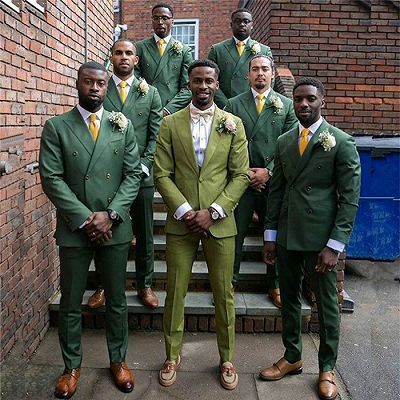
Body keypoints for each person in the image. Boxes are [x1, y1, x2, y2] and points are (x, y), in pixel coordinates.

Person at [39, 61, 142, 399]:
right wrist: (87, 218)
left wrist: (111, 215)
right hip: (75, 229)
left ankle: (118, 360)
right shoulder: (57, 127)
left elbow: (132, 175)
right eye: (89, 82)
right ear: (78, 84)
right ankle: (71, 367)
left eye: (101, 83)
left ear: (107, 87)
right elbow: (52, 179)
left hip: (114, 227)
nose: (95, 88)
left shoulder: (122, 125)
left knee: (116, 300)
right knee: (70, 302)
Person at [259, 77, 361, 400]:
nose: (303, 104)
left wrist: (335, 245)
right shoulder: (285, 140)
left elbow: (350, 199)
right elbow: (276, 192)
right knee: (288, 299)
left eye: (310, 99)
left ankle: (327, 367)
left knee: (326, 306)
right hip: (288, 235)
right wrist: (270, 236)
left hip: (320, 243)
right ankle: (292, 356)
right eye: (298, 99)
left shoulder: (341, 142)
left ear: (322, 102)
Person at [154, 59, 250, 390]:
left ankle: (226, 358)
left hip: (220, 224)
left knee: (224, 293)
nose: (203, 86)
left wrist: (214, 211)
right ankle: (172, 355)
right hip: (182, 223)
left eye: (209, 80)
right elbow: (161, 174)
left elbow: (240, 175)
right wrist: (184, 210)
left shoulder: (232, 123)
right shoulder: (170, 124)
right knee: (175, 291)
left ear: (217, 84)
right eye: (197, 81)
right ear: (189, 84)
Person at [87, 39, 163, 310]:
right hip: (106, 176)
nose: (123, 57)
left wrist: (143, 164)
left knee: (144, 233)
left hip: (140, 175)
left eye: (129, 53)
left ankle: (145, 284)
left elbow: (156, 135)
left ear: (136, 59)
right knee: (105, 231)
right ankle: (103, 285)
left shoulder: (150, 93)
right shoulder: (101, 88)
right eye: (118, 52)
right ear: (111, 56)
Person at [225, 54, 297, 305]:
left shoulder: (286, 106)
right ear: (248, 75)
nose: (260, 73)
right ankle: (229, 284)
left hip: (272, 183)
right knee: (235, 235)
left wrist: (269, 171)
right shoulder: (233, 104)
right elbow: (226, 144)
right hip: (241, 182)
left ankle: (274, 284)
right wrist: (245, 173)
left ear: (273, 74)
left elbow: (290, 146)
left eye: (265, 69)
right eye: (255, 69)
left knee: (273, 234)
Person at [134, 3, 193, 116]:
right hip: (146, 109)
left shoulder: (185, 51)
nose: (160, 22)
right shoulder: (139, 47)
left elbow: (187, 88)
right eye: (156, 18)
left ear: (172, 21)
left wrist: (168, 109)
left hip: (172, 112)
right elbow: (135, 81)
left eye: (165, 18)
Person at [208, 8, 273, 109]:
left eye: (246, 21)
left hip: (253, 105)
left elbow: (270, 80)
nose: (242, 24)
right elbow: (210, 80)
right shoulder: (217, 50)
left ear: (252, 25)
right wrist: (226, 105)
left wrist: (259, 100)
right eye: (238, 21)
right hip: (225, 106)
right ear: (231, 24)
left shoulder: (264, 50)